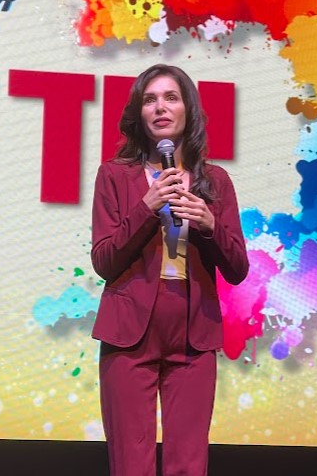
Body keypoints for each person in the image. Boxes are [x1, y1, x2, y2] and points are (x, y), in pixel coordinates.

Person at [90, 63, 249, 476]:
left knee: (189, 463)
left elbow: (237, 269)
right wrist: (147, 206)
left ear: (188, 109)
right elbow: (104, 261)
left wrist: (210, 226)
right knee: (131, 462)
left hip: (194, 332)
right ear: (139, 114)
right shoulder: (115, 176)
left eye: (171, 97)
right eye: (150, 100)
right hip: (130, 330)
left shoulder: (215, 181)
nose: (160, 107)